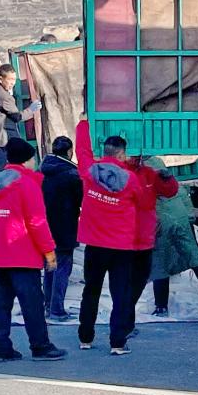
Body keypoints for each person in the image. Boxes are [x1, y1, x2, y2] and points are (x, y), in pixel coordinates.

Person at [0, 137, 66, 362]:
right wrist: (49, 252)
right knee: (32, 303)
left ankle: (1, 348)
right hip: (23, 253)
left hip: (0, 254)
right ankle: (40, 345)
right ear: (28, 160)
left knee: (1, 303)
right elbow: (37, 221)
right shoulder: (27, 184)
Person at [74, 120, 145, 356]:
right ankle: (117, 342)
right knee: (121, 294)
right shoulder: (131, 180)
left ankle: (85, 337)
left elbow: (82, 150)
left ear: (104, 151)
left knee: (91, 291)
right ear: (122, 154)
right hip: (121, 246)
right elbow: (143, 202)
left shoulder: (88, 170)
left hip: (94, 244)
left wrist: (84, 122)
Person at [141, 157, 198, 316]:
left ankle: (161, 306)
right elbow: (189, 210)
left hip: (161, 226)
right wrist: (188, 222)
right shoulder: (174, 184)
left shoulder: (148, 185)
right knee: (194, 256)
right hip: (182, 224)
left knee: (160, 265)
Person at [126, 155, 178, 337]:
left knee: (145, 275)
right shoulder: (125, 173)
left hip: (147, 235)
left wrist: (167, 178)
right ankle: (126, 323)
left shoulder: (148, 172)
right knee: (135, 280)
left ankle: (155, 308)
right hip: (134, 237)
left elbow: (169, 191)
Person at [40, 136, 82, 322]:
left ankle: (48, 305)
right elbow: (81, 201)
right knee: (62, 269)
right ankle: (57, 309)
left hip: (45, 229)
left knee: (50, 267)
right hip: (65, 230)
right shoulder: (72, 175)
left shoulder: (42, 172)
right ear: (69, 151)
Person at [0, 64, 42, 174]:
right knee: (5, 178)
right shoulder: (3, 96)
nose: (13, 83)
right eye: (10, 80)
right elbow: (17, 116)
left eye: (14, 79)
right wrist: (31, 109)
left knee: (0, 177)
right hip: (0, 145)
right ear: (0, 79)